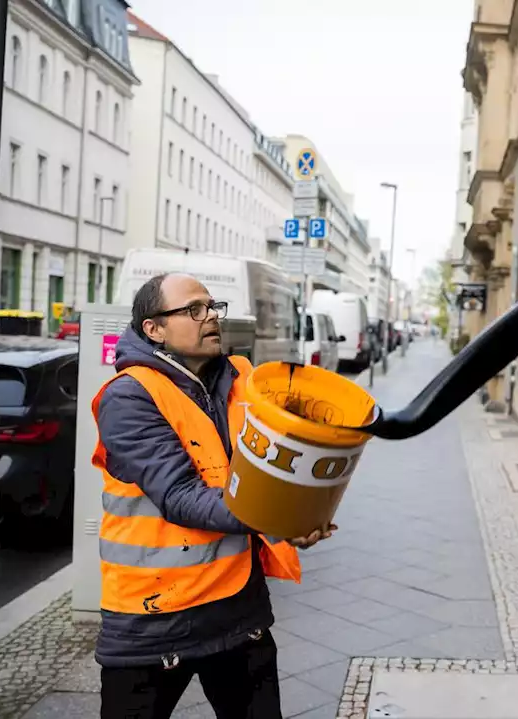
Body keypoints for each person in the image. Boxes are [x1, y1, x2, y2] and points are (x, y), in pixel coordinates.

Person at [91, 272, 334, 718]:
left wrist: (302, 512)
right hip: (154, 618)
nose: (211, 319)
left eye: (212, 307)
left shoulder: (243, 380)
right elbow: (183, 497)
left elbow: (274, 471)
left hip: (238, 610)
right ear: (154, 329)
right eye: (193, 310)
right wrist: (278, 517)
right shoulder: (129, 397)